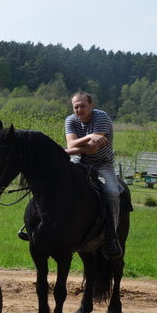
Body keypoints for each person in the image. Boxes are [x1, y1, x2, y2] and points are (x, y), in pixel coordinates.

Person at [65, 92, 122, 258]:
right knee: (56, 181)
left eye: (83, 106)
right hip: (77, 162)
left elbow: (93, 148)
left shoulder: (101, 117)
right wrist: (89, 137)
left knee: (112, 193)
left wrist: (70, 149)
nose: (79, 109)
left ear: (91, 105)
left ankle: (112, 236)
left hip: (101, 165)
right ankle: (41, 225)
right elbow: (72, 143)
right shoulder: (71, 120)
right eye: (76, 106)